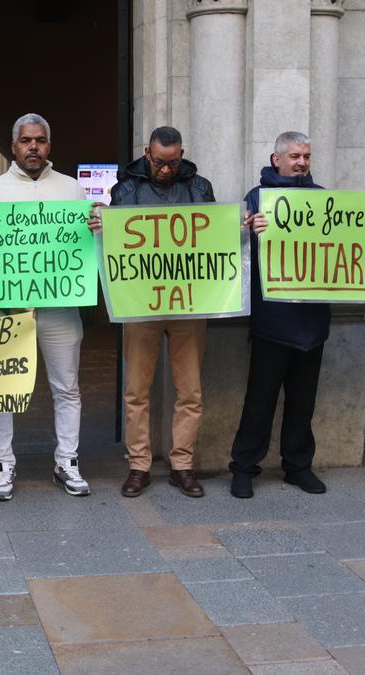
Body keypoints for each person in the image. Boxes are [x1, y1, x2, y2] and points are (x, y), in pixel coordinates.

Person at [0, 113, 91, 500]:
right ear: (14, 146)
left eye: (41, 140)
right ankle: (2, 464)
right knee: (1, 388)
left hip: (60, 308)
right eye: (27, 140)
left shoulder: (72, 191)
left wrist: (98, 226)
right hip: (7, 310)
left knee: (67, 387)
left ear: (49, 146)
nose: (34, 146)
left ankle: (68, 460)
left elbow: (87, 248)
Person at [109, 126, 215, 499]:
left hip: (187, 301)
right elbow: (114, 244)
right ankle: (139, 465)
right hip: (141, 302)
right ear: (146, 153)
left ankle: (182, 465)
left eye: (173, 163)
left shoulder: (200, 187)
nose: (167, 170)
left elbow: (213, 239)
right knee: (136, 389)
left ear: (182, 154)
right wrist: (100, 228)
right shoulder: (125, 190)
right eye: (159, 163)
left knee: (190, 389)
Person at [229, 131, 329, 499]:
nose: (302, 162)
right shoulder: (256, 200)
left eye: (306, 156)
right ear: (277, 160)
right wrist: (248, 232)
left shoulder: (323, 200)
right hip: (272, 322)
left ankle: (298, 466)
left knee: (303, 402)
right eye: (294, 156)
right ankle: (243, 468)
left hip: (312, 323)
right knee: (260, 400)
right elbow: (236, 256)